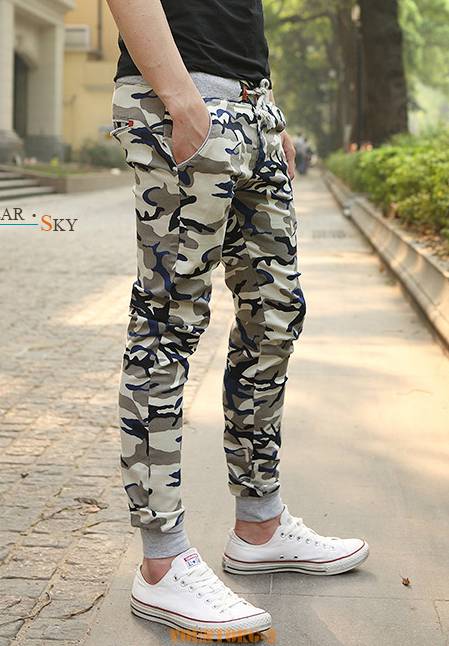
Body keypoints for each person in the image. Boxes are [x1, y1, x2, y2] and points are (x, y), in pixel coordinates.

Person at [106, 0, 369, 639]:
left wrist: (267, 109)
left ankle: (261, 524)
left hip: (254, 109)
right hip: (179, 98)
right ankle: (163, 563)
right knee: (168, 325)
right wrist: (179, 95)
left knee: (275, 317)